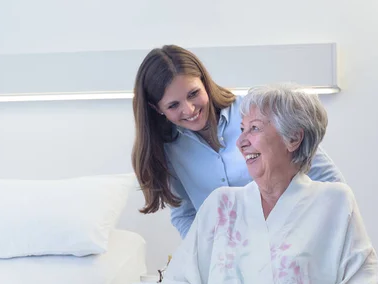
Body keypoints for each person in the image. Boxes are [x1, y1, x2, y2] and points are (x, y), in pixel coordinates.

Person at [152, 84, 378, 284]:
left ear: (293, 138)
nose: (241, 140)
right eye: (242, 129)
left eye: (255, 129)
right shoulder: (220, 205)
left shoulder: (333, 203)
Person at [131, 45, 345, 239]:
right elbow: (185, 214)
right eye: (173, 105)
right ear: (157, 108)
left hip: (291, 243)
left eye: (193, 94)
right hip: (227, 262)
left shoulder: (256, 112)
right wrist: (203, 257)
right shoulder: (167, 149)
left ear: (205, 82)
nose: (189, 110)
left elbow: (328, 179)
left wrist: (325, 237)